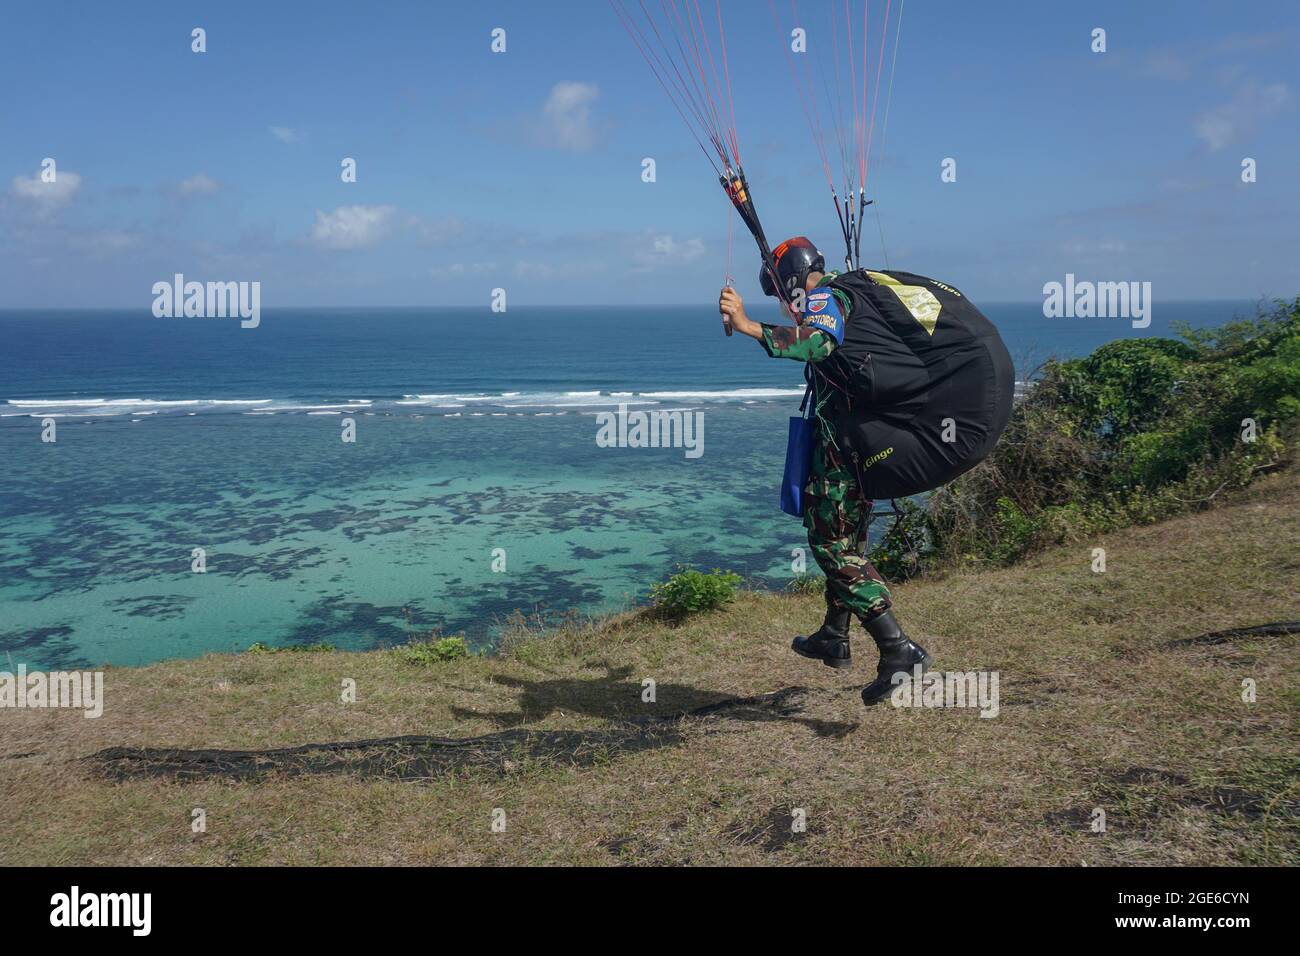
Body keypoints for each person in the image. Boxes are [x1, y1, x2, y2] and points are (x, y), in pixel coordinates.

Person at [718, 237, 1013, 705]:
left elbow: (818, 342)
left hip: (849, 445)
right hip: (857, 442)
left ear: (792, 280)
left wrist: (750, 326)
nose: (782, 302)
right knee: (848, 531)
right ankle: (834, 635)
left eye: (779, 293)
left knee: (830, 543)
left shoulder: (825, 297)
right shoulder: (851, 290)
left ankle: (898, 648)